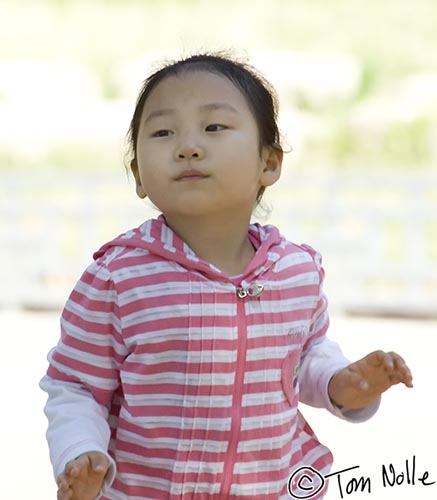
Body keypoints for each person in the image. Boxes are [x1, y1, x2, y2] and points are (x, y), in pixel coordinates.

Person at [40, 52, 413, 500]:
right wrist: (79, 451)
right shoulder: (119, 278)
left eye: (214, 127)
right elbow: (75, 386)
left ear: (269, 163)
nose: (188, 146)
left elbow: (305, 355)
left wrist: (343, 383)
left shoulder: (297, 270)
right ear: (138, 174)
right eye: (163, 132)